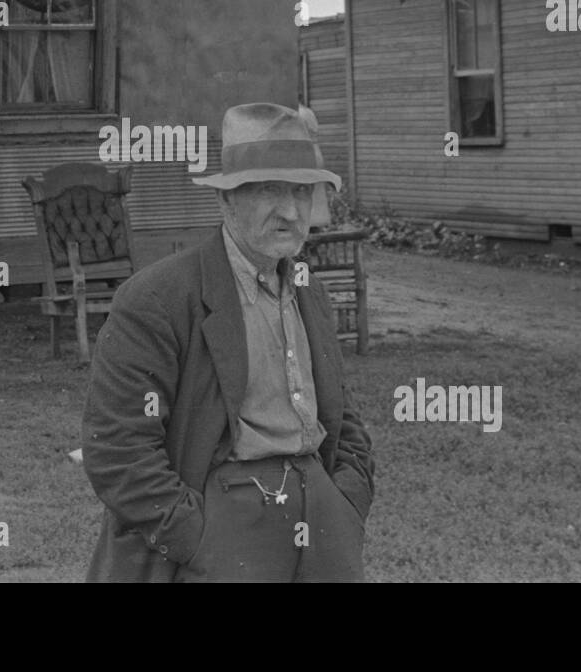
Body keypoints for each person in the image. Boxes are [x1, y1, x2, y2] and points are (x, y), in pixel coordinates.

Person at [81, 102, 374, 582]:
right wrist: (196, 538)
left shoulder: (309, 290)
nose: (290, 211)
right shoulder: (158, 298)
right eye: (269, 190)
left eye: (302, 191)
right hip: (225, 523)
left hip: (322, 521)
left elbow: (343, 415)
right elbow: (118, 449)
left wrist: (347, 500)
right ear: (227, 199)